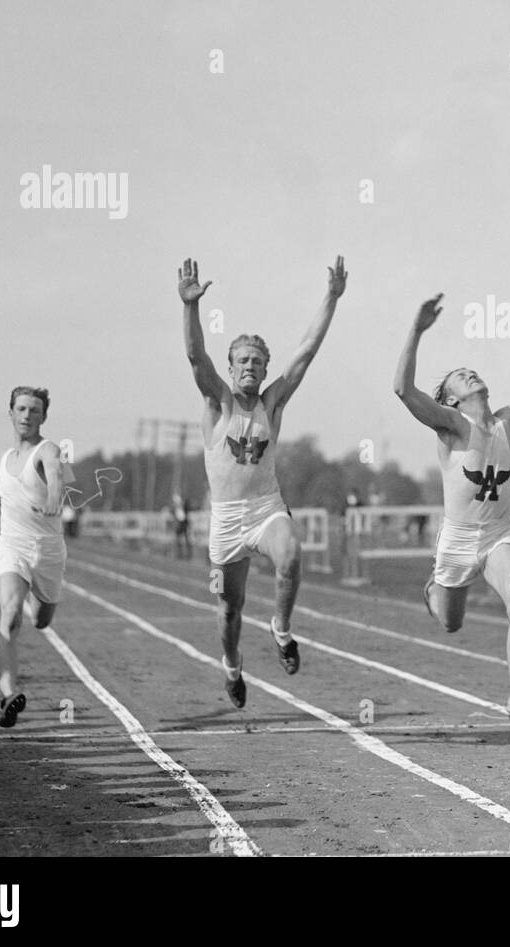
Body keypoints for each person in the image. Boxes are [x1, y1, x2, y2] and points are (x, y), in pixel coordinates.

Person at [393, 292, 510, 735]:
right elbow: (402, 389)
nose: (469, 373)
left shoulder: (505, 422)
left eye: (470, 370)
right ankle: (435, 590)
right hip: (456, 543)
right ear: (451, 401)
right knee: (451, 625)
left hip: (496, 537)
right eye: (458, 377)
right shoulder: (453, 426)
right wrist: (415, 329)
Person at [179, 255, 347, 708]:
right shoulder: (219, 402)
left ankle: (281, 629)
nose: (250, 365)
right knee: (229, 608)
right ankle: (232, 665)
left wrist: (330, 297)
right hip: (227, 521)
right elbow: (196, 357)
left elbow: (307, 351)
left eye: (257, 360)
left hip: (265, 509)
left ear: (265, 368)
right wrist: (190, 307)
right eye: (242, 360)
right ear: (231, 368)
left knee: (291, 553)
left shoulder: (273, 403)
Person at [0, 382, 74, 728]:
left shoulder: (49, 450)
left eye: (34, 410)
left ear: (44, 416)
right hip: (12, 548)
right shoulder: (5, 460)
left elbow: (57, 476)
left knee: (41, 621)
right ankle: (9, 693)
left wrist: (53, 500)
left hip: (48, 552)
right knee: (9, 616)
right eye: (21, 408)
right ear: (10, 413)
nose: (27, 415)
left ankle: (38, 602)